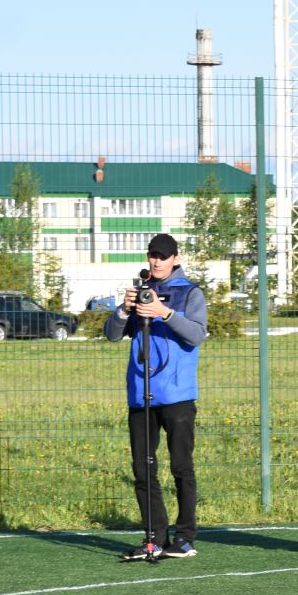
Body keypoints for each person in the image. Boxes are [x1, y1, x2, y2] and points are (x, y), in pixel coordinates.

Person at [105, 233, 208, 562]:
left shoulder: (190, 292)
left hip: (177, 395)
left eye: (163, 256)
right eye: (153, 255)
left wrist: (164, 312)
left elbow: (197, 335)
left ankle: (185, 537)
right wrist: (124, 309)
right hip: (141, 395)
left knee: (181, 467)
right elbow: (111, 335)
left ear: (176, 258)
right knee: (142, 469)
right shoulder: (140, 292)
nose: (157, 261)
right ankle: (154, 537)